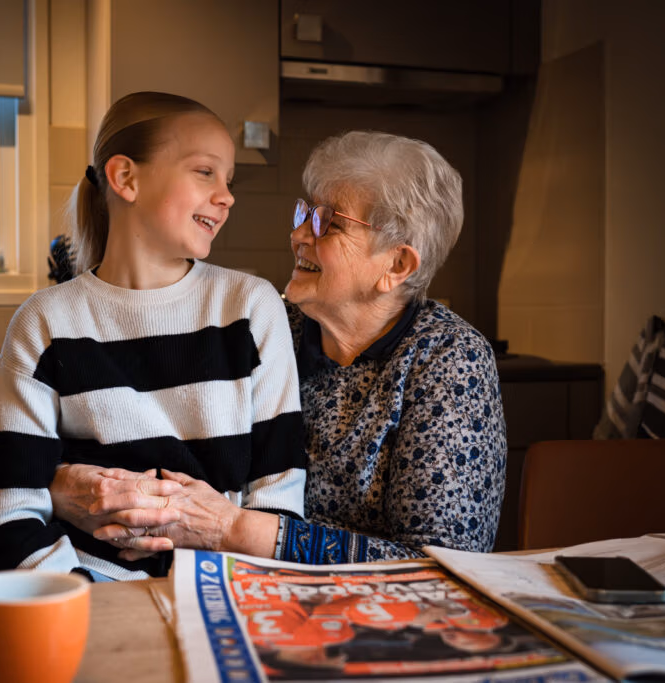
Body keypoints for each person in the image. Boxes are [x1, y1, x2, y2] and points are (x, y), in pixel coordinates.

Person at [52, 130, 507, 566]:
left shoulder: (449, 359)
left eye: (329, 223)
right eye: (305, 213)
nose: (299, 235)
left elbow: (444, 563)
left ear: (397, 264)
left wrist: (230, 529)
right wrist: (62, 485)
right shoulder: (267, 325)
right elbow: (148, 437)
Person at [0, 92, 307, 582]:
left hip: (229, 590)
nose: (227, 196)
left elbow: (278, 499)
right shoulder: (43, 321)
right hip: (89, 599)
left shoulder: (251, 307)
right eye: (205, 172)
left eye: (229, 180)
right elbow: (9, 512)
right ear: (125, 178)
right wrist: (85, 603)